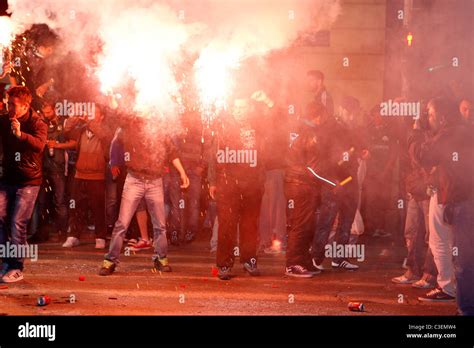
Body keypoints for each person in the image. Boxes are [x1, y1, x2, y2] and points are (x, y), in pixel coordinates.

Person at [99, 115, 189, 276]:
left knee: (160, 225)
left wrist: (182, 172)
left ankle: (161, 259)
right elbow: (114, 138)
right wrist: (114, 162)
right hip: (134, 179)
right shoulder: (129, 126)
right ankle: (110, 260)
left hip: (155, 181)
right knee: (122, 224)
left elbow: (172, 153)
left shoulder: (160, 130)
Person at [409, 97, 473, 314]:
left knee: (464, 259)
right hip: (460, 198)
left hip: (463, 201)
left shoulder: (452, 133)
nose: (428, 118)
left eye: (430, 113)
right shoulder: (460, 131)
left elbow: (424, 156)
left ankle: (466, 309)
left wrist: (416, 134)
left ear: (442, 115)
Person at [208, 92, 268, 280]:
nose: (240, 111)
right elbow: (213, 155)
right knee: (227, 224)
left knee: (250, 224)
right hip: (228, 184)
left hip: (251, 184)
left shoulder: (258, 129)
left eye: (243, 107)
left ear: (249, 109)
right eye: (237, 108)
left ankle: (249, 260)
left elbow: (263, 157)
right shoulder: (224, 128)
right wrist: (212, 181)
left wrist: (260, 179)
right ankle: (224, 264)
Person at [311, 100, 367, 271]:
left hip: (350, 179)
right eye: (349, 111)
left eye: (354, 112)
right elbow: (325, 158)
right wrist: (333, 179)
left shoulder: (354, 127)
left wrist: (362, 150)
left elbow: (358, 146)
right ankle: (316, 258)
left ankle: (339, 258)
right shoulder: (329, 128)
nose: (352, 115)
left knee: (346, 220)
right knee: (327, 221)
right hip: (335, 181)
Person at [0, 86, 47, 282]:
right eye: (8, 103)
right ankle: (5, 260)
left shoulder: (37, 123)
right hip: (6, 178)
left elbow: (39, 145)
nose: (9, 107)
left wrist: (21, 135)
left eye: (14, 104)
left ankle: (17, 266)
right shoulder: (4, 120)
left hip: (29, 181)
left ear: (26, 106)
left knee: (18, 222)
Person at [392, 112, 437, 289]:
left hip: (428, 192)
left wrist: (417, 133)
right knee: (411, 232)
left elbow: (421, 159)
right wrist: (409, 185)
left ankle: (429, 275)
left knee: (430, 236)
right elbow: (408, 162)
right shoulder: (411, 136)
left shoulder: (431, 137)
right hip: (415, 190)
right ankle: (413, 271)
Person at [62, 106, 113, 249]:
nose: (90, 115)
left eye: (94, 113)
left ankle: (100, 237)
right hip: (80, 174)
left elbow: (105, 137)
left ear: (101, 116)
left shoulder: (105, 129)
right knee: (76, 206)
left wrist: (90, 122)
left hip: (97, 175)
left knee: (98, 208)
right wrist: (74, 119)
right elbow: (66, 132)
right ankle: (73, 236)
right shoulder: (82, 129)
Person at [284, 101, 324, 277]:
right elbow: (313, 167)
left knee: (306, 225)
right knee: (300, 225)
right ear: (319, 116)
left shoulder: (299, 130)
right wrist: (331, 183)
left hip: (297, 183)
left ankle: (304, 260)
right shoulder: (310, 134)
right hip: (302, 184)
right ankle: (293, 264)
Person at [30, 97, 75, 242]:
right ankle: (41, 233)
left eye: (49, 112)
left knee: (60, 200)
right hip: (43, 168)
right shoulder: (41, 123)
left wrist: (56, 145)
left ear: (55, 110)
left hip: (59, 168)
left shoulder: (64, 124)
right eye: (44, 112)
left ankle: (63, 232)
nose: (46, 114)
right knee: (42, 201)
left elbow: (74, 144)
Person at [168, 111, 209, 245]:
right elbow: (170, 149)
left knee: (193, 203)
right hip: (177, 170)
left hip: (193, 171)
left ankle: (190, 231)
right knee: (176, 203)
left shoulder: (201, 129)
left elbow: (208, 150)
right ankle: (175, 231)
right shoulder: (176, 128)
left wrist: (201, 167)